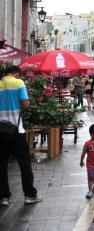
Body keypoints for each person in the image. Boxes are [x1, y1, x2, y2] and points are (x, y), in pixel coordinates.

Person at [0, 65, 42, 206]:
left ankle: (4, 197)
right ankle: (30, 195)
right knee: (24, 164)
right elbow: (25, 104)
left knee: (1, 165)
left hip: (1, 131)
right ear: (16, 73)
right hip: (16, 131)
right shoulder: (18, 83)